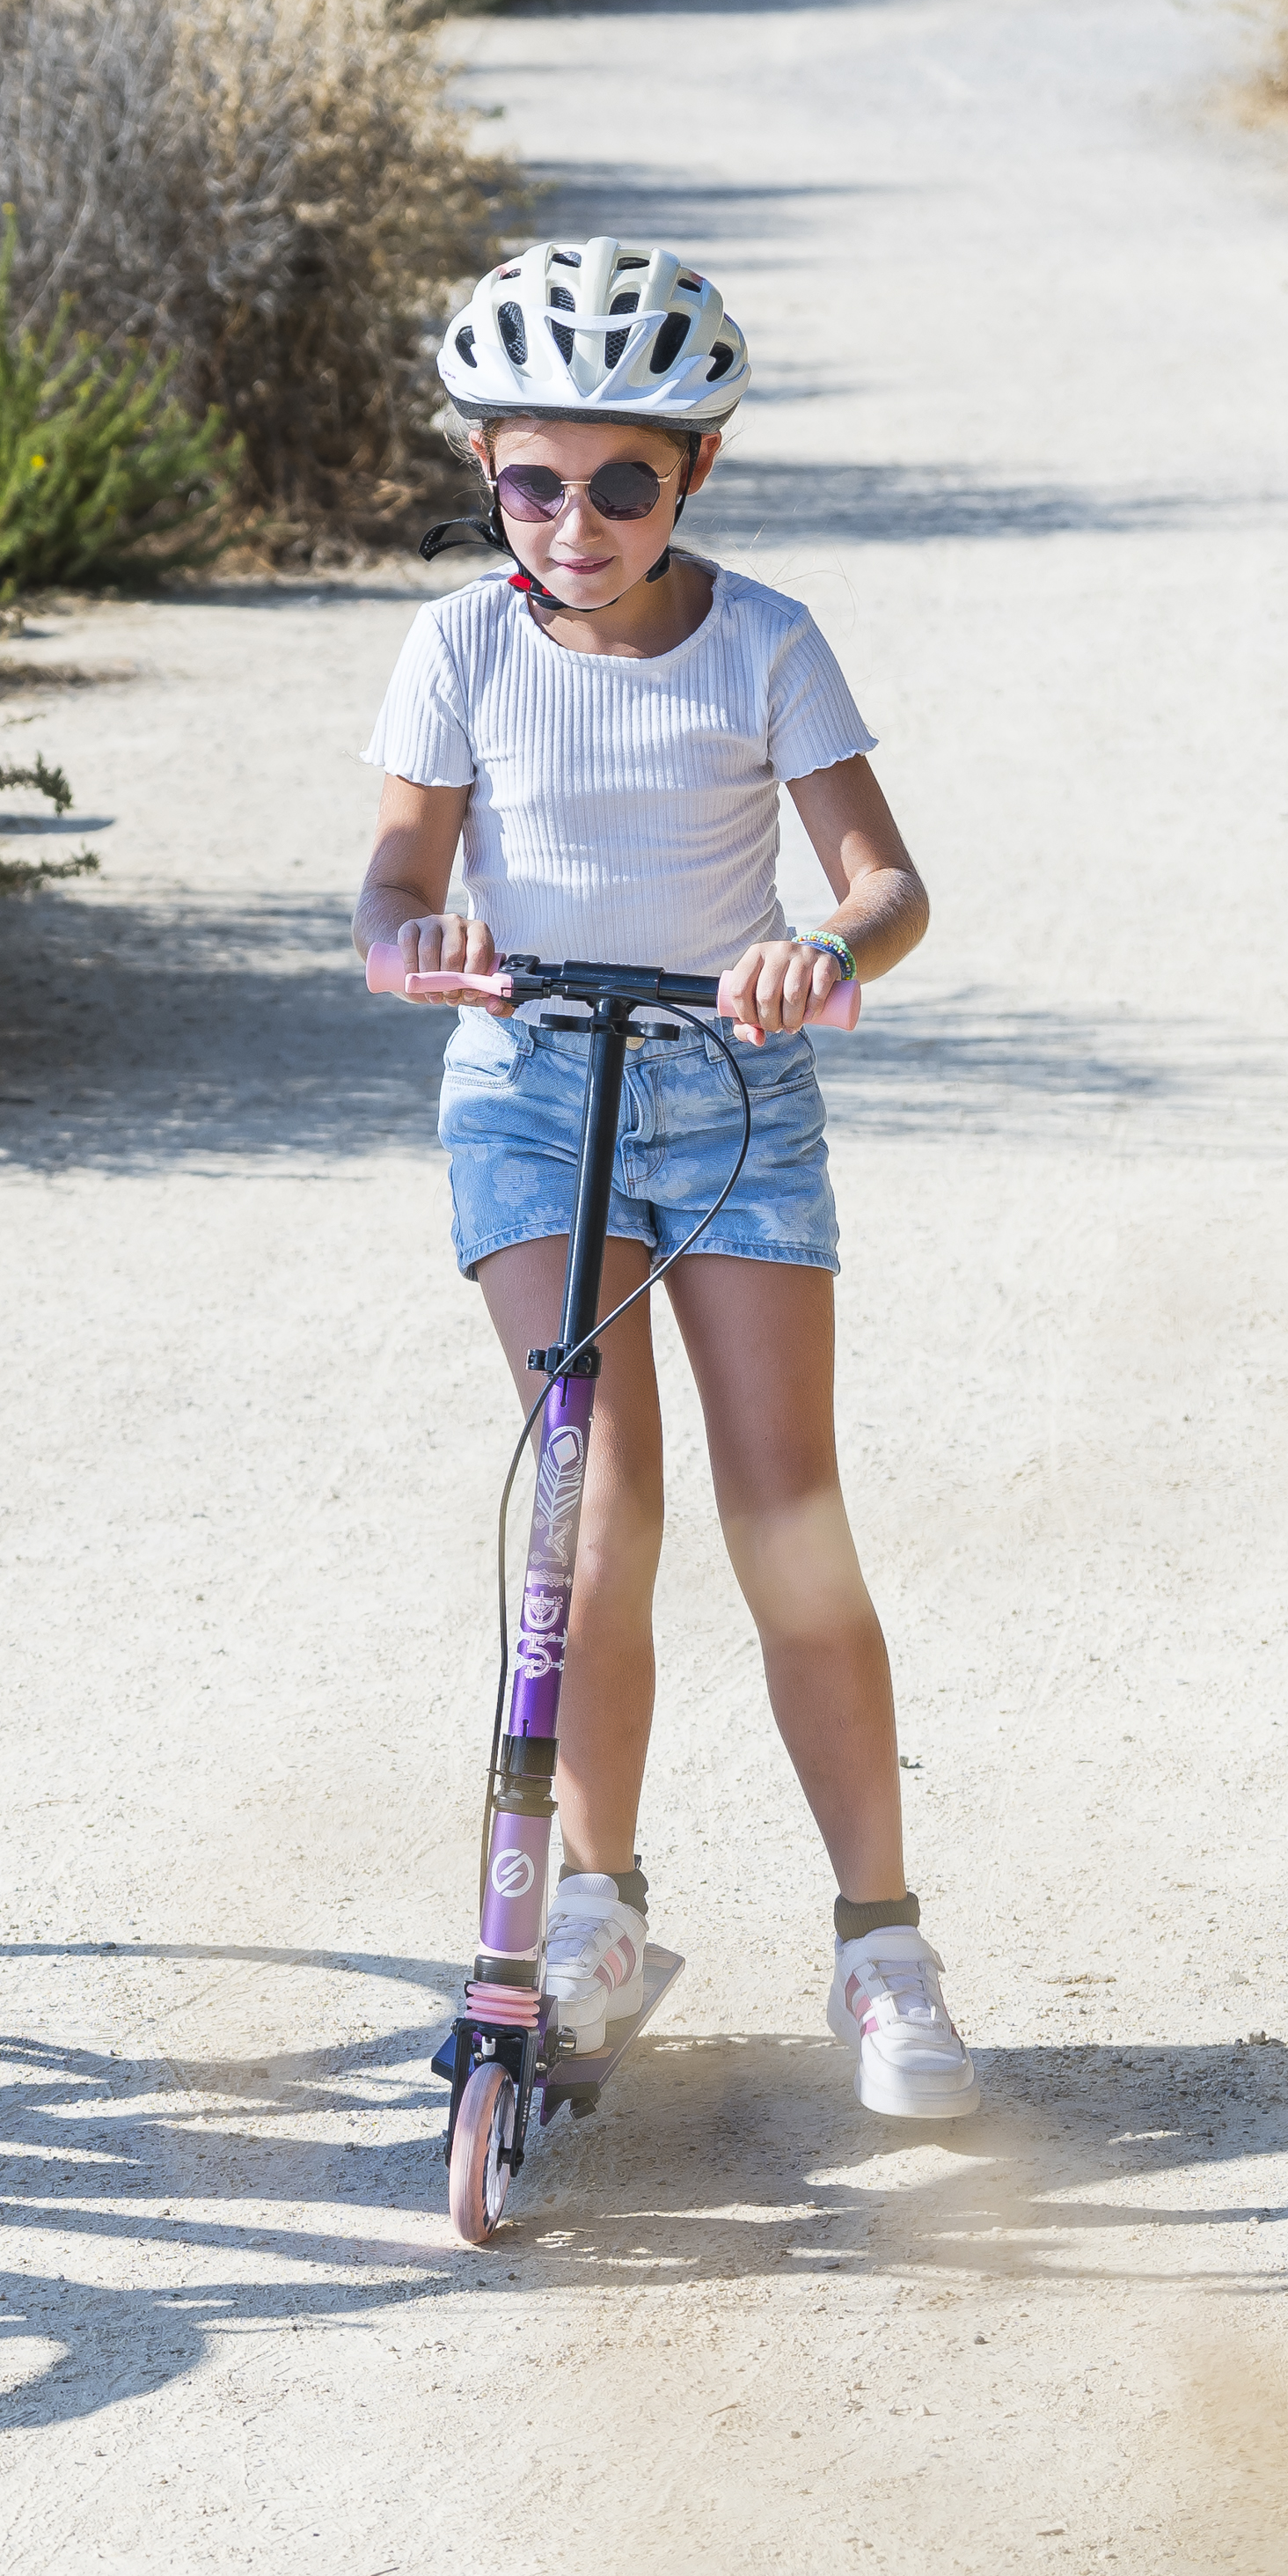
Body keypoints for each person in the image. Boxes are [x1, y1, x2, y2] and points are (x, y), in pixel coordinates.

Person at [348, 239, 980, 2121]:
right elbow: (387, 882)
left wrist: (825, 957)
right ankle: (592, 1921)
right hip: (529, 1097)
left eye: (619, 481)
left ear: (689, 474)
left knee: (786, 1518)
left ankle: (880, 1946)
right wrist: (410, 949)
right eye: (530, 479)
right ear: (483, 469)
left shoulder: (761, 639)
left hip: (732, 1101)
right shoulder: (455, 643)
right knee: (587, 1504)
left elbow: (884, 883)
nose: (571, 520)